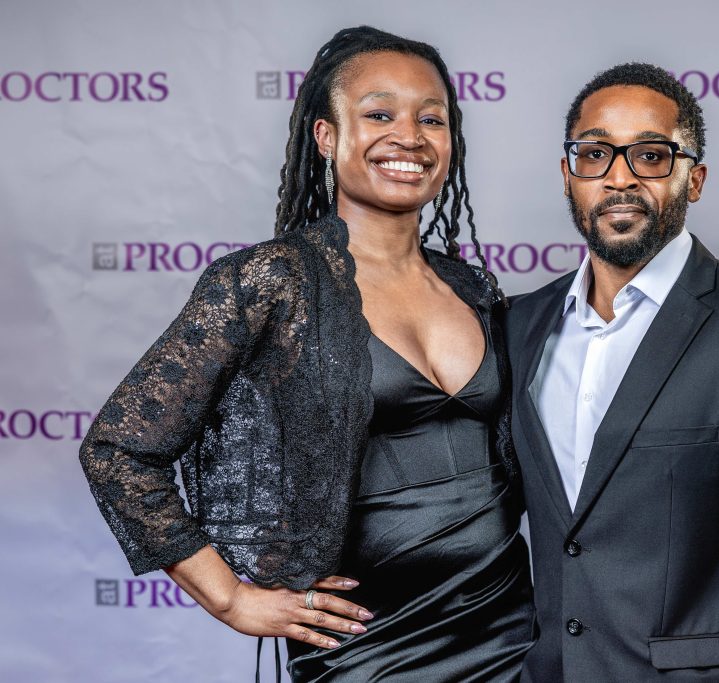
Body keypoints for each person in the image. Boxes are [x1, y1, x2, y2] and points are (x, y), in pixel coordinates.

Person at [79, 26, 535, 682]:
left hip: (508, 627)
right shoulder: (273, 282)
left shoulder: (473, 287)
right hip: (365, 644)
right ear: (326, 135)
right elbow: (118, 451)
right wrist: (230, 598)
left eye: (431, 119)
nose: (409, 136)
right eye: (379, 114)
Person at [506, 63, 719, 682]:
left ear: (694, 179)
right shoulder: (519, 325)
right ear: (568, 174)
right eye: (595, 153)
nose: (619, 177)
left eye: (651, 156)